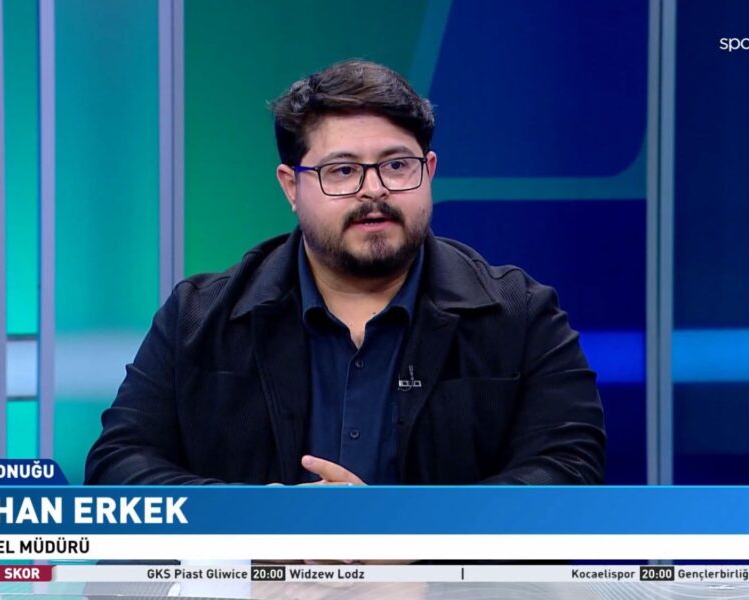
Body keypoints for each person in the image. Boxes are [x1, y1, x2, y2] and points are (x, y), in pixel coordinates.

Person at [85, 59, 605, 487]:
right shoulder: (198, 318)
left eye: (397, 165)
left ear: (429, 171)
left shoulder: (521, 315)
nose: (374, 190)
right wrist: (258, 526)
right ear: (291, 186)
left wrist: (407, 540)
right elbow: (119, 466)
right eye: (342, 171)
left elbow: (570, 469)